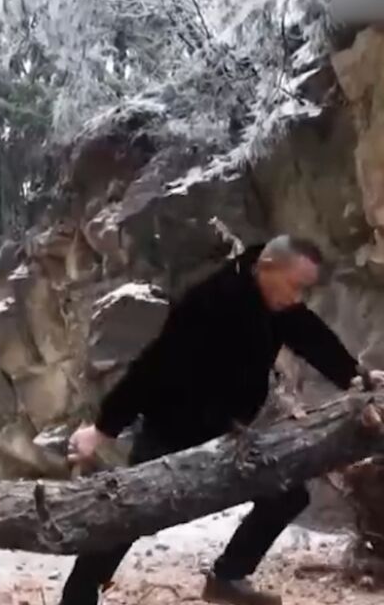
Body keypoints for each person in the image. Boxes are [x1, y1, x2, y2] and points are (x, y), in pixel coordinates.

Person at [61, 235, 383, 605]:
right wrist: (102, 430)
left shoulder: (277, 301)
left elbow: (312, 336)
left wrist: (354, 375)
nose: (298, 298)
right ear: (267, 267)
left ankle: (227, 577)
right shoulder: (210, 301)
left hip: (230, 433)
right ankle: (78, 597)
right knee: (135, 514)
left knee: (286, 495)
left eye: (304, 291)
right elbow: (153, 366)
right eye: (296, 287)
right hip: (174, 429)